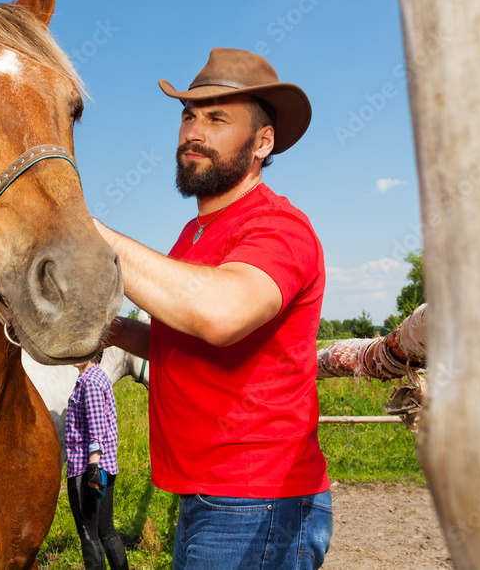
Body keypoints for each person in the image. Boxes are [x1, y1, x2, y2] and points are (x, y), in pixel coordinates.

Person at [94, 48, 332, 569]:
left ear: (262, 143)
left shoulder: (277, 227)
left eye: (217, 118)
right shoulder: (193, 234)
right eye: (188, 115)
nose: (192, 133)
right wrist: (108, 332)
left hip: (257, 497)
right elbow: (183, 339)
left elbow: (221, 316)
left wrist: (82, 232)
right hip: (208, 493)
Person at [65, 349, 129, 570]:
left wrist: (92, 465)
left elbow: (96, 428)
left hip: (87, 469)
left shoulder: (89, 382)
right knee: (106, 529)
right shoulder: (99, 376)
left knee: (88, 533)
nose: (73, 352)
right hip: (104, 467)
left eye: (80, 347)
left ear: (93, 352)